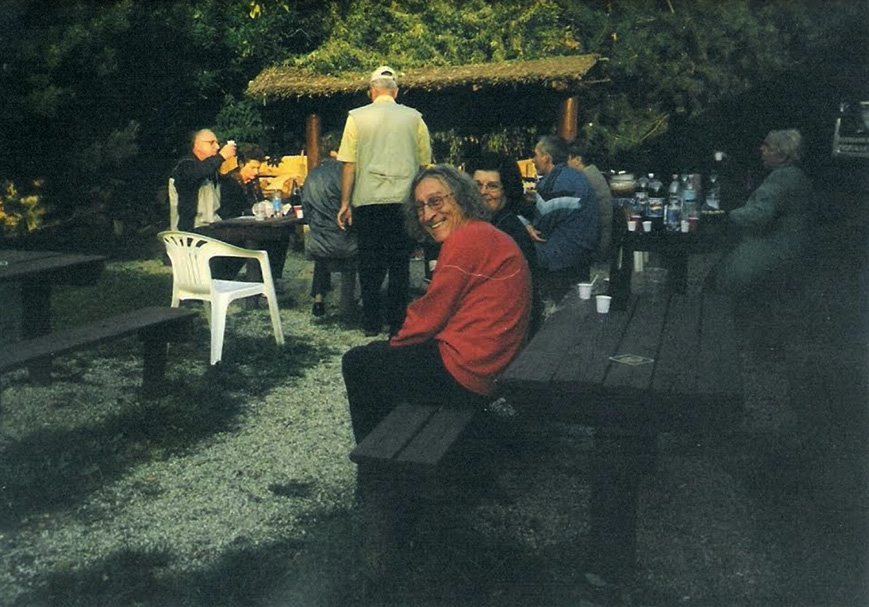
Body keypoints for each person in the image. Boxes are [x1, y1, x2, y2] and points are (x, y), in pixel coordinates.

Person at [341, 165, 531, 445]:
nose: (428, 215)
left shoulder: (464, 240)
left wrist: (395, 343)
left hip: (470, 374)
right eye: (420, 207)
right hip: (493, 365)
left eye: (436, 201)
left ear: (462, 198)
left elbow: (429, 316)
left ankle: (376, 460)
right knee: (386, 360)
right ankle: (395, 445)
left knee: (358, 362)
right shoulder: (485, 233)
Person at [336, 65, 432, 337]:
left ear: (371, 91)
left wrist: (345, 202)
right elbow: (424, 165)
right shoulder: (415, 118)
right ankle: (398, 323)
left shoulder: (356, 118)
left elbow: (349, 164)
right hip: (403, 200)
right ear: (396, 92)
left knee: (369, 263)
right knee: (399, 264)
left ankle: (371, 323)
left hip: (368, 200)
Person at [712, 129, 815, 296]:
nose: (761, 149)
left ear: (781, 154)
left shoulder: (781, 178)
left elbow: (759, 214)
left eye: (767, 146)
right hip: (792, 246)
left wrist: (727, 214)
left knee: (721, 272)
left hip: (774, 250)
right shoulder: (796, 175)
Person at [464, 152, 543, 336]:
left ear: (507, 190)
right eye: (477, 185)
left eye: (492, 186)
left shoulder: (508, 231)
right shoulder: (485, 224)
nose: (483, 192)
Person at [526, 135, 600, 303]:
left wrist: (525, 225)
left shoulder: (556, 181)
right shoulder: (575, 176)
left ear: (547, 158)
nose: (533, 160)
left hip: (563, 257)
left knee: (515, 245)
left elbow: (540, 229)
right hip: (582, 251)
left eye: (536, 155)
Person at [301, 147, 358, 317]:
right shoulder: (346, 174)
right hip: (346, 243)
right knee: (352, 245)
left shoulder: (311, 175)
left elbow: (306, 210)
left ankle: (318, 299)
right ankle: (348, 305)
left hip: (318, 243)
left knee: (323, 251)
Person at [169, 129, 236, 231]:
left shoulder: (212, 168)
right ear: (197, 145)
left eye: (217, 143)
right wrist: (221, 156)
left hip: (214, 226)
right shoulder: (184, 166)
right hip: (189, 231)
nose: (217, 147)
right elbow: (195, 174)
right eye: (211, 143)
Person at [568, 140, 613, 262]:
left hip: (595, 246)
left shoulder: (584, 178)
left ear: (578, 160)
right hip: (599, 237)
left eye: (568, 158)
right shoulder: (592, 172)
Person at [218, 143, 265, 219]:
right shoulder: (229, 183)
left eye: (258, 168)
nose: (256, 172)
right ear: (241, 164)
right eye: (252, 168)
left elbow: (260, 200)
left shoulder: (253, 182)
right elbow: (229, 211)